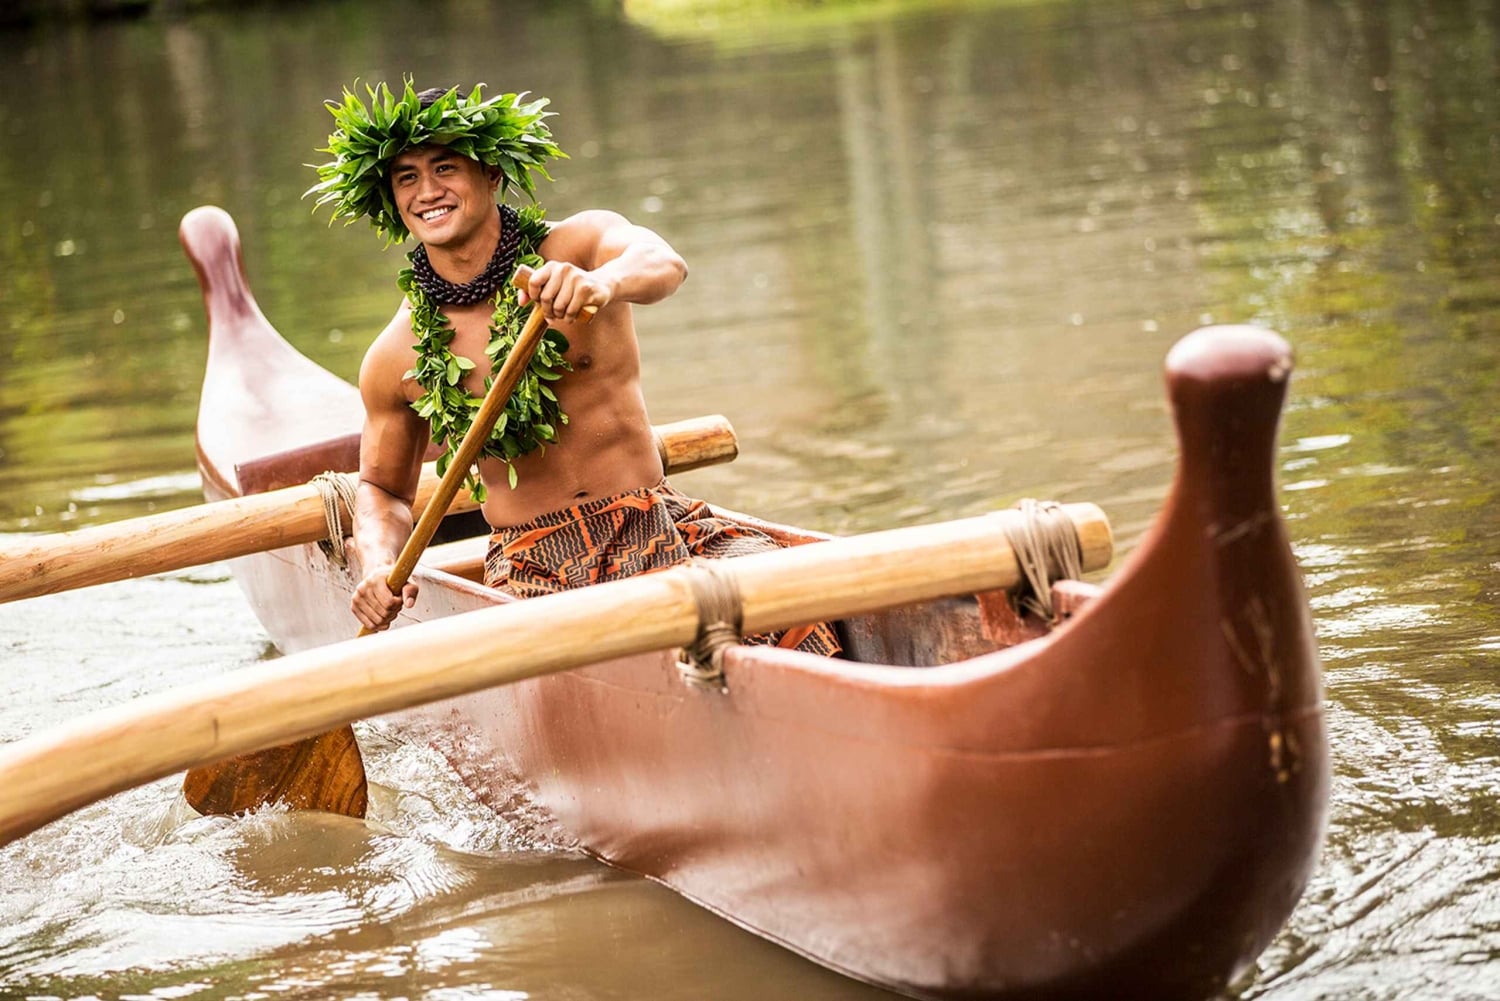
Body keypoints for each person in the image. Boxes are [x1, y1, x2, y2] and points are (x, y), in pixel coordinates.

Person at [311, 80, 839, 657]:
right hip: (533, 570)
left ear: (490, 174)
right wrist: (379, 563)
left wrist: (602, 284)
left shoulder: (582, 246)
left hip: (655, 524)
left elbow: (664, 262)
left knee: (801, 610)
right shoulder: (399, 352)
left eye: (445, 168)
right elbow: (383, 488)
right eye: (407, 178)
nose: (427, 192)